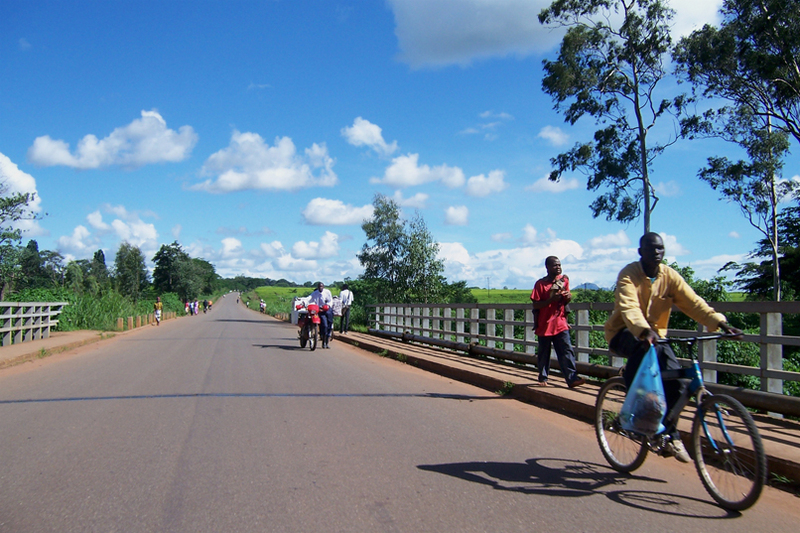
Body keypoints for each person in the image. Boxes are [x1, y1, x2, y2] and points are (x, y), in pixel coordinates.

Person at [604, 232, 742, 463]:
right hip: (624, 332)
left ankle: (668, 434)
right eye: (651, 249)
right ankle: (634, 398)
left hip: (657, 338)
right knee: (643, 349)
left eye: (661, 249)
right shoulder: (629, 274)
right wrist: (643, 329)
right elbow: (628, 307)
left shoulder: (670, 276)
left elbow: (693, 303)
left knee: (678, 384)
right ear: (641, 252)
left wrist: (720, 323)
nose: (657, 253)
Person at [530, 256, 585, 389]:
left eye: (559, 265)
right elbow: (536, 305)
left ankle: (572, 379)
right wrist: (550, 300)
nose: (558, 267)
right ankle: (543, 377)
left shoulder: (564, 280)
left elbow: (565, 302)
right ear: (547, 267)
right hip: (545, 324)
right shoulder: (540, 284)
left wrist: (567, 298)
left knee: (566, 350)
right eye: (555, 265)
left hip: (560, 322)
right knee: (544, 352)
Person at [308, 281, 334, 348]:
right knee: (324, 325)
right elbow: (309, 298)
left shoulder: (327, 292)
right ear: (317, 287)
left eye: (322, 286)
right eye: (319, 286)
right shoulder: (315, 293)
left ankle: (327, 342)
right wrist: (303, 302)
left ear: (323, 287)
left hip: (327, 309)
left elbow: (330, 300)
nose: (320, 288)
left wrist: (327, 306)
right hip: (320, 310)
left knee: (330, 324)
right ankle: (323, 341)